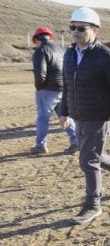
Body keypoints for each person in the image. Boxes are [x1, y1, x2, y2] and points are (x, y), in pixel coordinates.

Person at [59, 7, 110, 225]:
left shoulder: (107, 57)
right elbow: (67, 85)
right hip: (79, 114)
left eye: (81, 28)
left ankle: (93, 204)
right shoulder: (69, 54)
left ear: (96, 30)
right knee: (93, 155)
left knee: (88, 160)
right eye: (72, 27)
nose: (75, 32)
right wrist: (63, 112)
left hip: (100, 115)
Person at [30, 26, 78, 155]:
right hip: (63, 88)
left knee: (43, 118)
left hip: (47, 89)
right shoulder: (62, 49)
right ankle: (76, 141)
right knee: (64, 115)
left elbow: (40, 74)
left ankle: (41, 145)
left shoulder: (40, 51)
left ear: (36, 39)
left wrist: (39, 87)